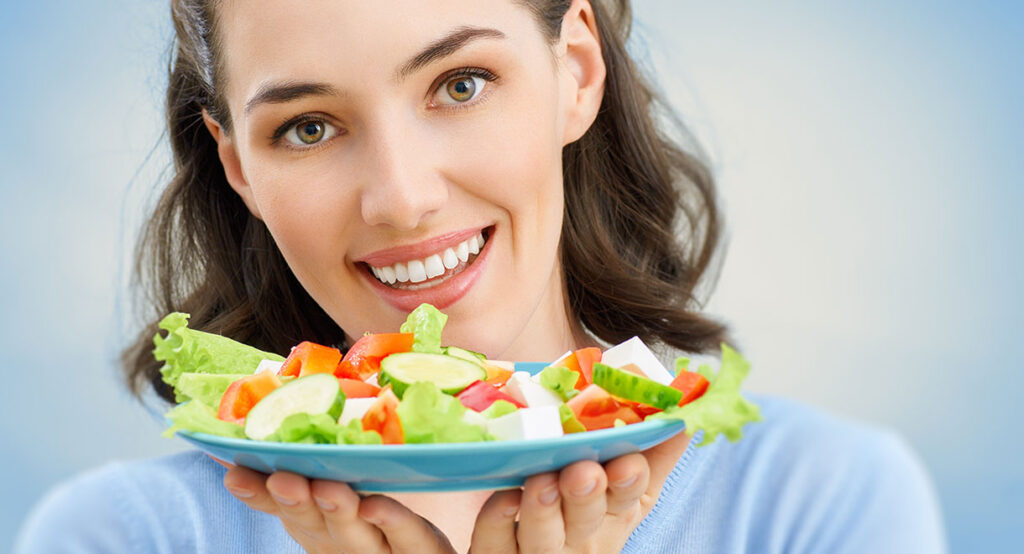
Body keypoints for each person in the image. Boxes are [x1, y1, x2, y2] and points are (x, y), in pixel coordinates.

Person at [16, 0, 946, 552]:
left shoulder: (816, 505)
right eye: (308, 126)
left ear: (577, 72)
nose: (402, 199)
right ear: (239, 169)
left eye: (460, 83)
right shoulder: (122, 537)